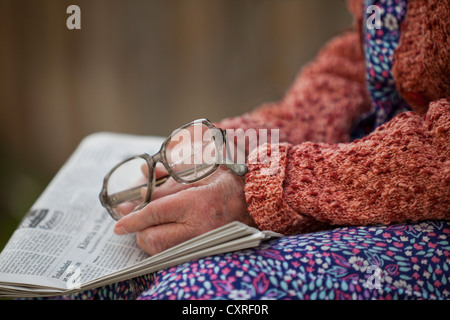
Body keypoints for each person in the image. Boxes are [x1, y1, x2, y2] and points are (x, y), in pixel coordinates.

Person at [39, 0, 450, 300]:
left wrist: (267, 185)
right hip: (357, 169)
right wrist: (242, 143)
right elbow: (365, 57)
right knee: (75, 290)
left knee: (201, 294)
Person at [113, 0, 449, 256]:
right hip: (360, 177)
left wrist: (267, 186)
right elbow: (372, 57)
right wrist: (250, 138)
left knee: (203, 289)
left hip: (428, 224)